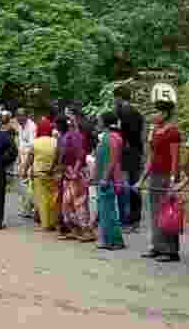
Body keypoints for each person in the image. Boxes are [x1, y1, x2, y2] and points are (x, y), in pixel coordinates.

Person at [138, 101, 182, 262]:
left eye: (155, 112)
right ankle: (157, 246)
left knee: (167, 213)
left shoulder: (173, 132)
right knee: (155, 212)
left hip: (166, 176)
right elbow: (151, 156)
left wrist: (173, 180)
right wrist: (143, 178)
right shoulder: (155, 131)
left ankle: (170, 250)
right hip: (155, 176)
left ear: (164, 114)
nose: (152, 115)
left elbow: (175, 158)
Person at [57, 115, 95, 242]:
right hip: (68, 173)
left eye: (73, 121)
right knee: (67, 203)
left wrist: (75, 171)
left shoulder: (78, 136)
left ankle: (87, 231)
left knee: (80, 203)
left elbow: (80, 155)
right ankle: (75, 230)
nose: (70, 122)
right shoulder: (67, 135)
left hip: (77, 173)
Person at [95, 112, 127, 250]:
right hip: (103, 177)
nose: (98, 123)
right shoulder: (107, 136)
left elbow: (113, 159)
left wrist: (105, 178)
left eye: (99, 120)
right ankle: (107, 239)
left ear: (105, 122)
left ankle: (115, 240)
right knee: (104, 209)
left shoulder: (112, 137)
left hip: (109, 180)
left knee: (109, 210)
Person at [114, 95, 146, 230]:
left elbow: (122, 134)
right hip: (136, 152)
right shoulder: (138, 114)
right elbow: (142, 135)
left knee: (124, 186)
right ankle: (135, 219)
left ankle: (126, 219)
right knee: (135, 185)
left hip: (126, 153)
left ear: (119, 98)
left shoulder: (121, 113)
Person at [23, 118, 58, 232]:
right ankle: (54, 222)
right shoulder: (55, 141)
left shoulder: (35, 142)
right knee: (53, 198)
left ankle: (46, 224)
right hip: (53, 173)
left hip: (39, 174)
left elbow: (30, 159)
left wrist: (24, 170)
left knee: (42, 200)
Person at [15, 108, 37, 219]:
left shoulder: (32, 127)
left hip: (30, 159)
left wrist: (28, 164)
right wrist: (19, 160)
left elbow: (32, 147)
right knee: (22, 185)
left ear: (26, 116)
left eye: (21, 116)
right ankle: (26, 208)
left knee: (29, 185)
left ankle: (32, 209)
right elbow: (20, 144)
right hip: (22, 158)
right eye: (17, 116)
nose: (19, 118)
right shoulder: (19, 126)